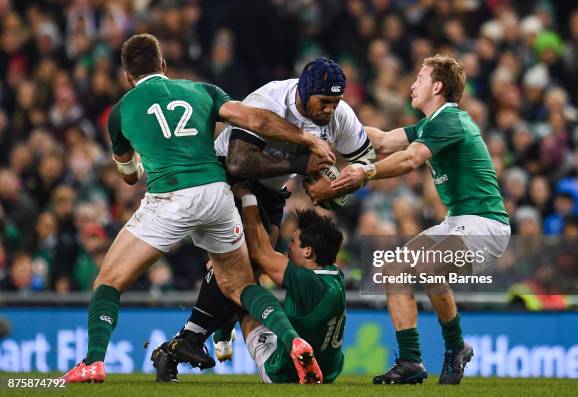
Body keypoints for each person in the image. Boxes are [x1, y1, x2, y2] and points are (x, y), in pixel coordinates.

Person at [61, 33, 335, 384]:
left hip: (170, 198)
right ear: (163, 65)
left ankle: (93, 362)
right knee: (240, 285)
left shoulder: (120, 111)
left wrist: (141, 161)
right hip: (217, 193)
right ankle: (293, 340)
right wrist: (305, 138)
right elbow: (253, 119)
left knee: (109, 282)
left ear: (127, 75)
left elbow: (128, 175)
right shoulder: (202, 90)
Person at [151, 57, 375, 381]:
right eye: (324, 102)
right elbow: (240, 162)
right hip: (226, 175)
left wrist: (349, 179)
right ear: (305, 90)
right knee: (243, 264)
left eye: (336, 102)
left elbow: (365, 158)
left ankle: (185, 342)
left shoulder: (339, 115)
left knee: (254, 269)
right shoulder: (267, 101)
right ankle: (194, 338)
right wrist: (301, 164)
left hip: (272, 189)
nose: (330, 109)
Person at [331, 54, 511, 385]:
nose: (412, 84)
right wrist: (335, 128)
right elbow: (383, 141)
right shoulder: (432, 123)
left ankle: (442, 351)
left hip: (486, 225)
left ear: (438, 86)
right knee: (394, 271)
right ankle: (424, 358)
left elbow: (411, 159)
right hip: (459, 221)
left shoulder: (450, 120)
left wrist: (365, 172)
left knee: (423, 268)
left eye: (420, 78)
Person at [232, 184, 346, 383]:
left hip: (286, 373)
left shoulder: (307, 282)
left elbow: (260, 252)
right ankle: (223, 335)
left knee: (241, 287)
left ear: (308, 251)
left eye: (292, 242)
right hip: (329, 371)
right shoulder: (336, 276)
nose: (287, 247)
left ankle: (221, 335)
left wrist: (248, 198)